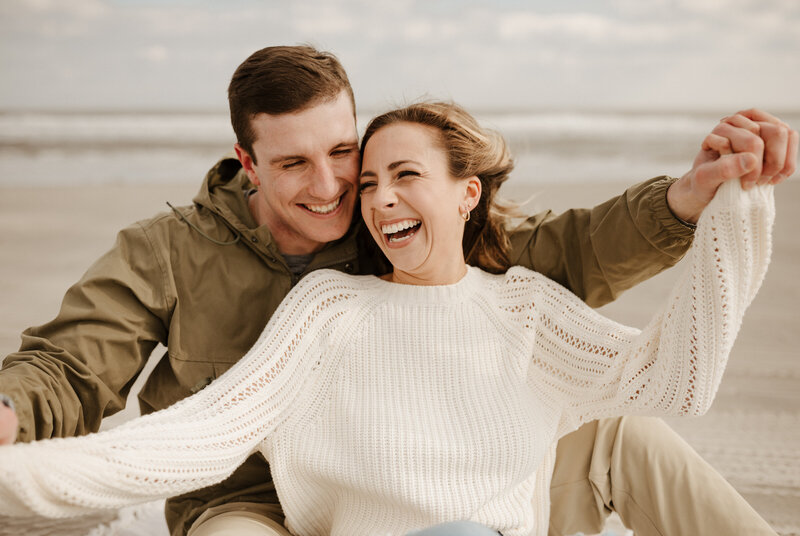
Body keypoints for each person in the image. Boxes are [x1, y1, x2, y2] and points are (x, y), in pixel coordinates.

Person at [0, 45, 795, 536]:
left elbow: (564, 251)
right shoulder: (166, 251)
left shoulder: (388, 213)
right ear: (247, 164)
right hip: (252, 502)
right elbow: (72, 369)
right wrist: (11, 417)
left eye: (344, 152)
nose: (332, 187)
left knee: (623, 434)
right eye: (292, 165)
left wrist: (690, 197)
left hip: (411, 486)